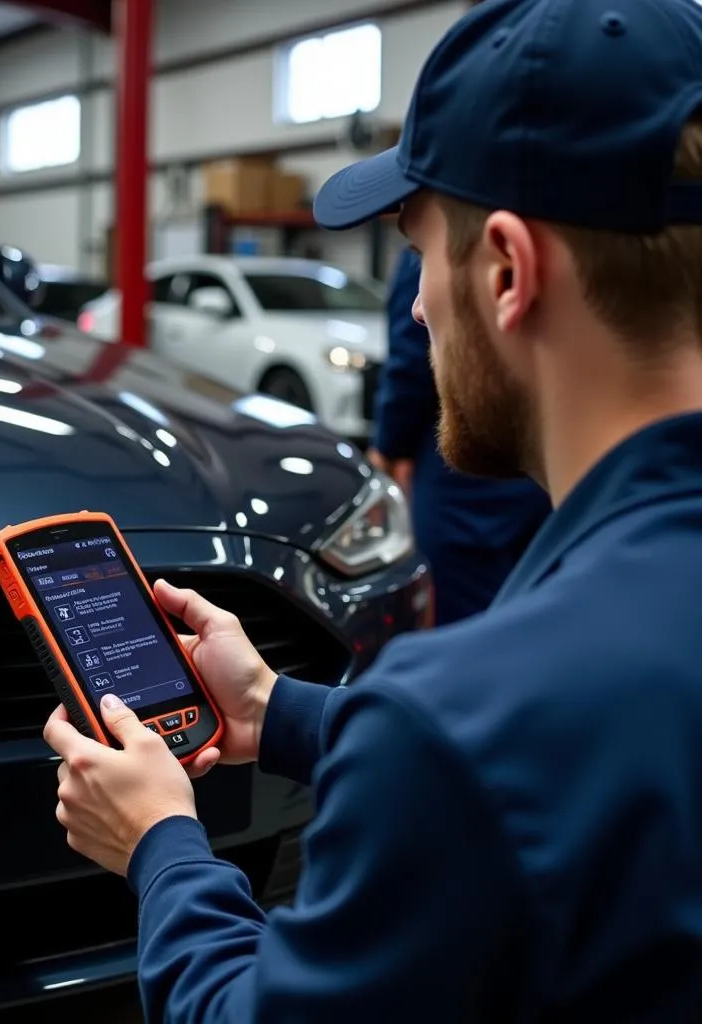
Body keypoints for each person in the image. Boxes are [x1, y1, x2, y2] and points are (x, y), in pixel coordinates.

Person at [43, 0, 702, 1019]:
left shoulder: (464, 718)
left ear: (505, 271)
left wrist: (161, 846)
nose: (422, 308)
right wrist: (277, 709)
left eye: (418, 254)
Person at [369, 246, 552, 623]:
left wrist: (388, 448)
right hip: (533, 456)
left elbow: (409, 364)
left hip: (459, 466)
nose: (419, 308)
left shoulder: (446, 233)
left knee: (465, 614)